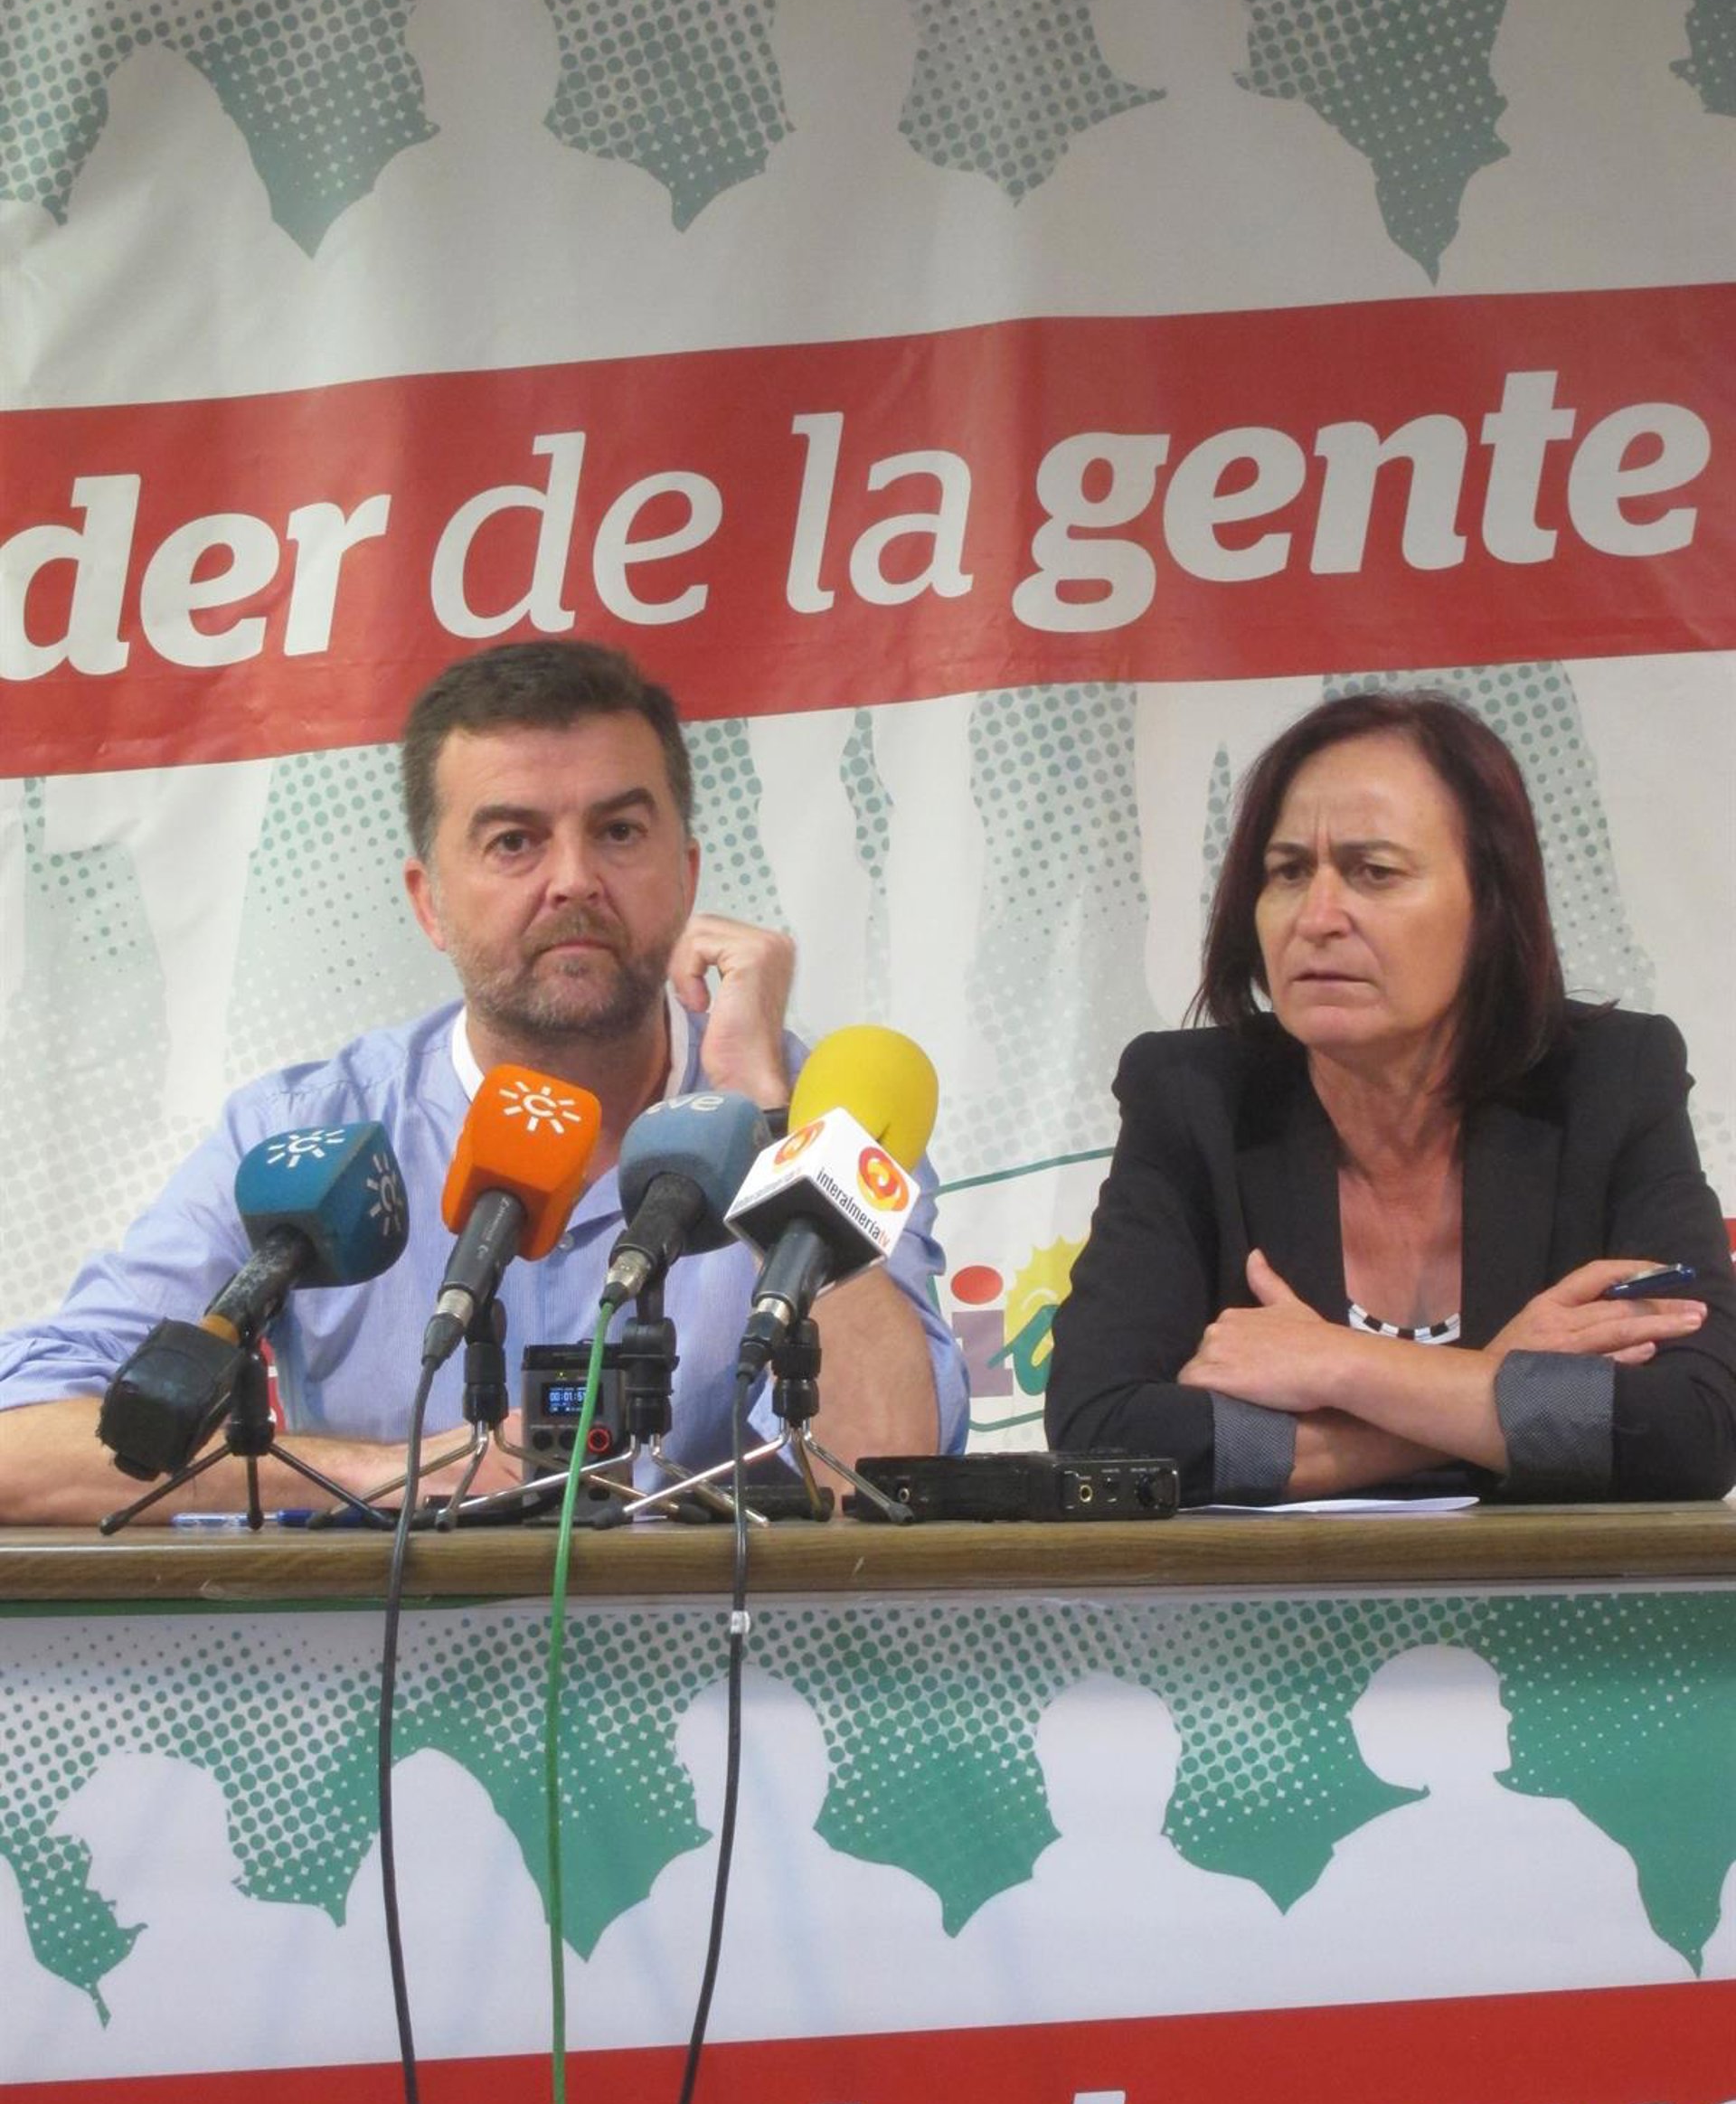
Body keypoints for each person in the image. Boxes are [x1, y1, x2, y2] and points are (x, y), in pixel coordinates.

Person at [0, 641, 967, 1523]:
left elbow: (883, 1465)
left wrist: (768, 1111)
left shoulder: (824, 1120)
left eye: (619, 831)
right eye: (514, 841)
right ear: (429, 903)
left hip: (725, 1660)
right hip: (396, 1656)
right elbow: (20, 1441)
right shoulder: (307, 1133)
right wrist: (390, 1472)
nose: (574, 879)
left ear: (686, 872)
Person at [1045, 689, 1736, 1504]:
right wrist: (1481, 1390)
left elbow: (1694, 1431)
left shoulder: (1611, 1081)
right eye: (1288, 872)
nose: (1317, 916)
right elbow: (1102, 1437)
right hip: (1281, 1593)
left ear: (1490, 906)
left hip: (1552, 1588)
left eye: (1374, 872)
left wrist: (1341, 1365)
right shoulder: (1192, 1097)